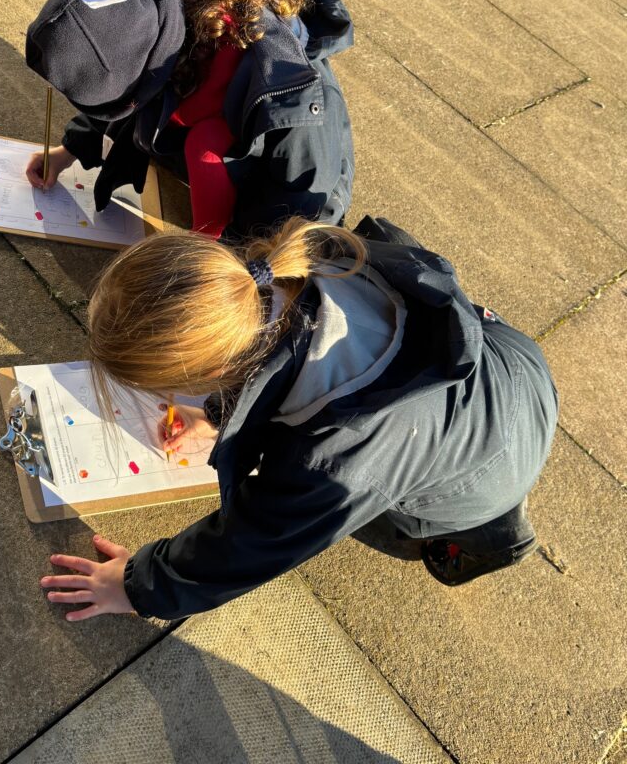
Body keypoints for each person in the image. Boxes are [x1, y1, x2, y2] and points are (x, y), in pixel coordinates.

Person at [40, 216, 558, 622]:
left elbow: (248, 548)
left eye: (167, 390)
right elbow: (276, 356)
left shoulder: (334, 465)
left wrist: (134, 586)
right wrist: (220, 413)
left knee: (382, 514)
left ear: (212, 368)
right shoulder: (291, 269)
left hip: (493, 470)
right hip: (510, 361)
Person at [24, 0, 355, 239]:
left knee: (205, 144)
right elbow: (130, 95)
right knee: (187, 134)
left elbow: (302, 214)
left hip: (300, 193)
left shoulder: (289, 98)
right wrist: (70, 149)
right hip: (221, 126)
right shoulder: (159, 22)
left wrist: (228, 265)